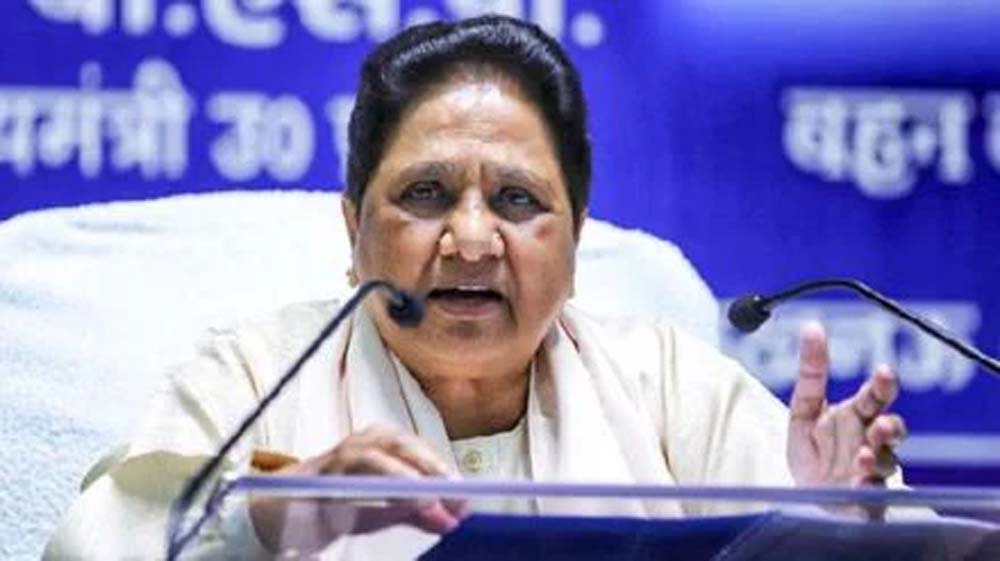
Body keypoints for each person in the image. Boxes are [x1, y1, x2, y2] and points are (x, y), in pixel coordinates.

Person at [45, 14, 908, 560]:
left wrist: (833, 535)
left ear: (574, 239)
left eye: (517, 200)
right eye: (426, 194)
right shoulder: (256, 376)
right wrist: (271, 518)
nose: (469, 240)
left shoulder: (673, 388)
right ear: (353, 228)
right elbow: (96, 547)